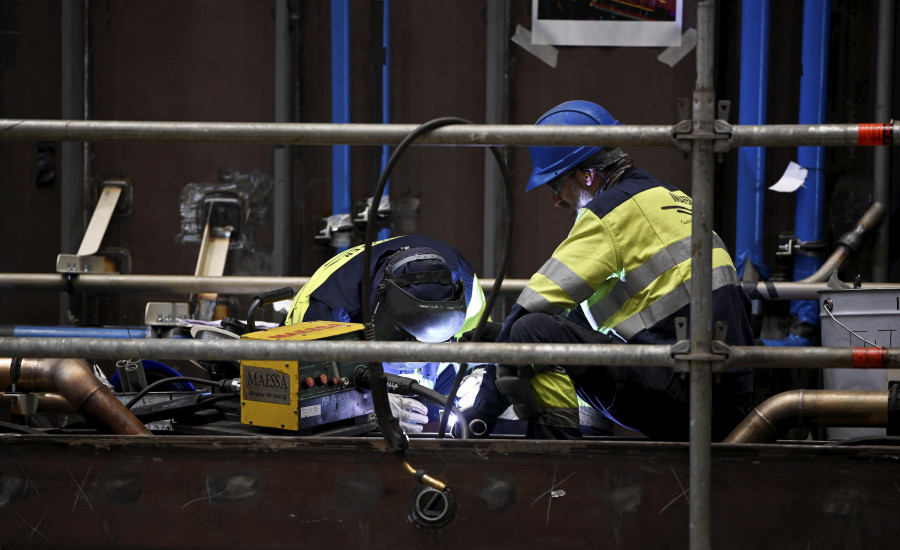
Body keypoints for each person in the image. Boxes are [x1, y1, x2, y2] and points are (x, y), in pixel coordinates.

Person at [459, 100, 755, 441]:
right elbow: (576, 320)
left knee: (531, 331)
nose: (556, 200)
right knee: (555, 331)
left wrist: (481, 405)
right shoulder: (668, 197)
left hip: (690, 396)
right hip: (724, 393)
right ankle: (592, 443)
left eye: (557, 185)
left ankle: (551, 469)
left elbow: (538, 302)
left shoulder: (610, 212)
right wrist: (501, 335)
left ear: (588, 175)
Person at [284, 235, 486, 433]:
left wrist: (478, 373)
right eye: (409, 342)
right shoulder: (321, 312)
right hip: (349, 351)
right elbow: (308, 399)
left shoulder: (462, 283)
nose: (416, 361)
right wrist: (369, 405)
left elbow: (478, 339)